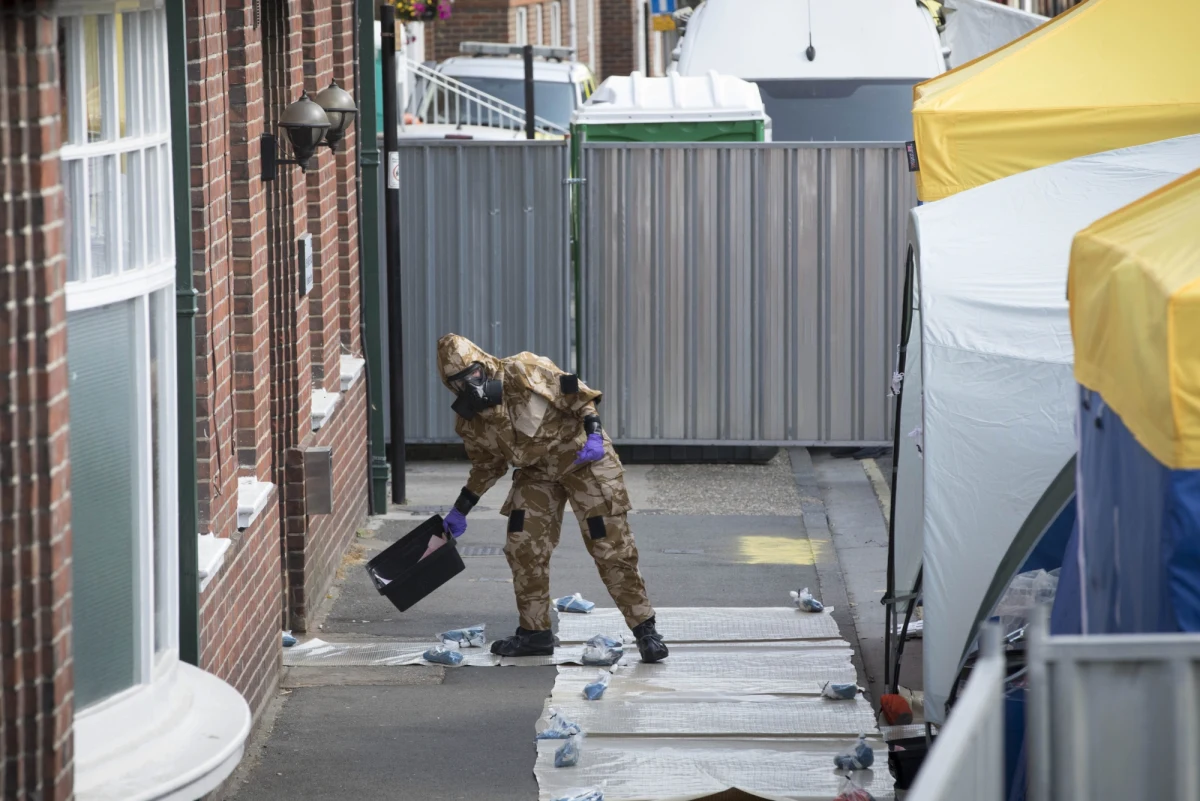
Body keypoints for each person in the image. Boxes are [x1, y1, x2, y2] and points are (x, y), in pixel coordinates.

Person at [436, 333, 668, 663]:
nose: (470, 385)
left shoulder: (523, 370)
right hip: (537, 471)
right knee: (523, 544)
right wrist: (461, 508)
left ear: (483, 363)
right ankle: (534, 633)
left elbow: (579, 396)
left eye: (473, 374)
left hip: (583, 458)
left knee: (609, 545)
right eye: (459, 382)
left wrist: (594, 433)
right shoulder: (471, 420)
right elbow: (487, 465)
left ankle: (645, 630)